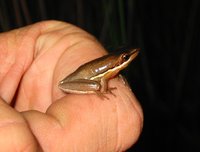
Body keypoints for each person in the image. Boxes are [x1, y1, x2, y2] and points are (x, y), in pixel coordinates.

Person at [0, 20, 143, 151]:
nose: (129, 58)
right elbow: (104, 78)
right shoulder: (112, 67)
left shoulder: (114, 67)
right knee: (96, 86)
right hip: (86, 79)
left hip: (82, 75)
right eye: (125, 58)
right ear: (119, 61)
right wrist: (104, 90)